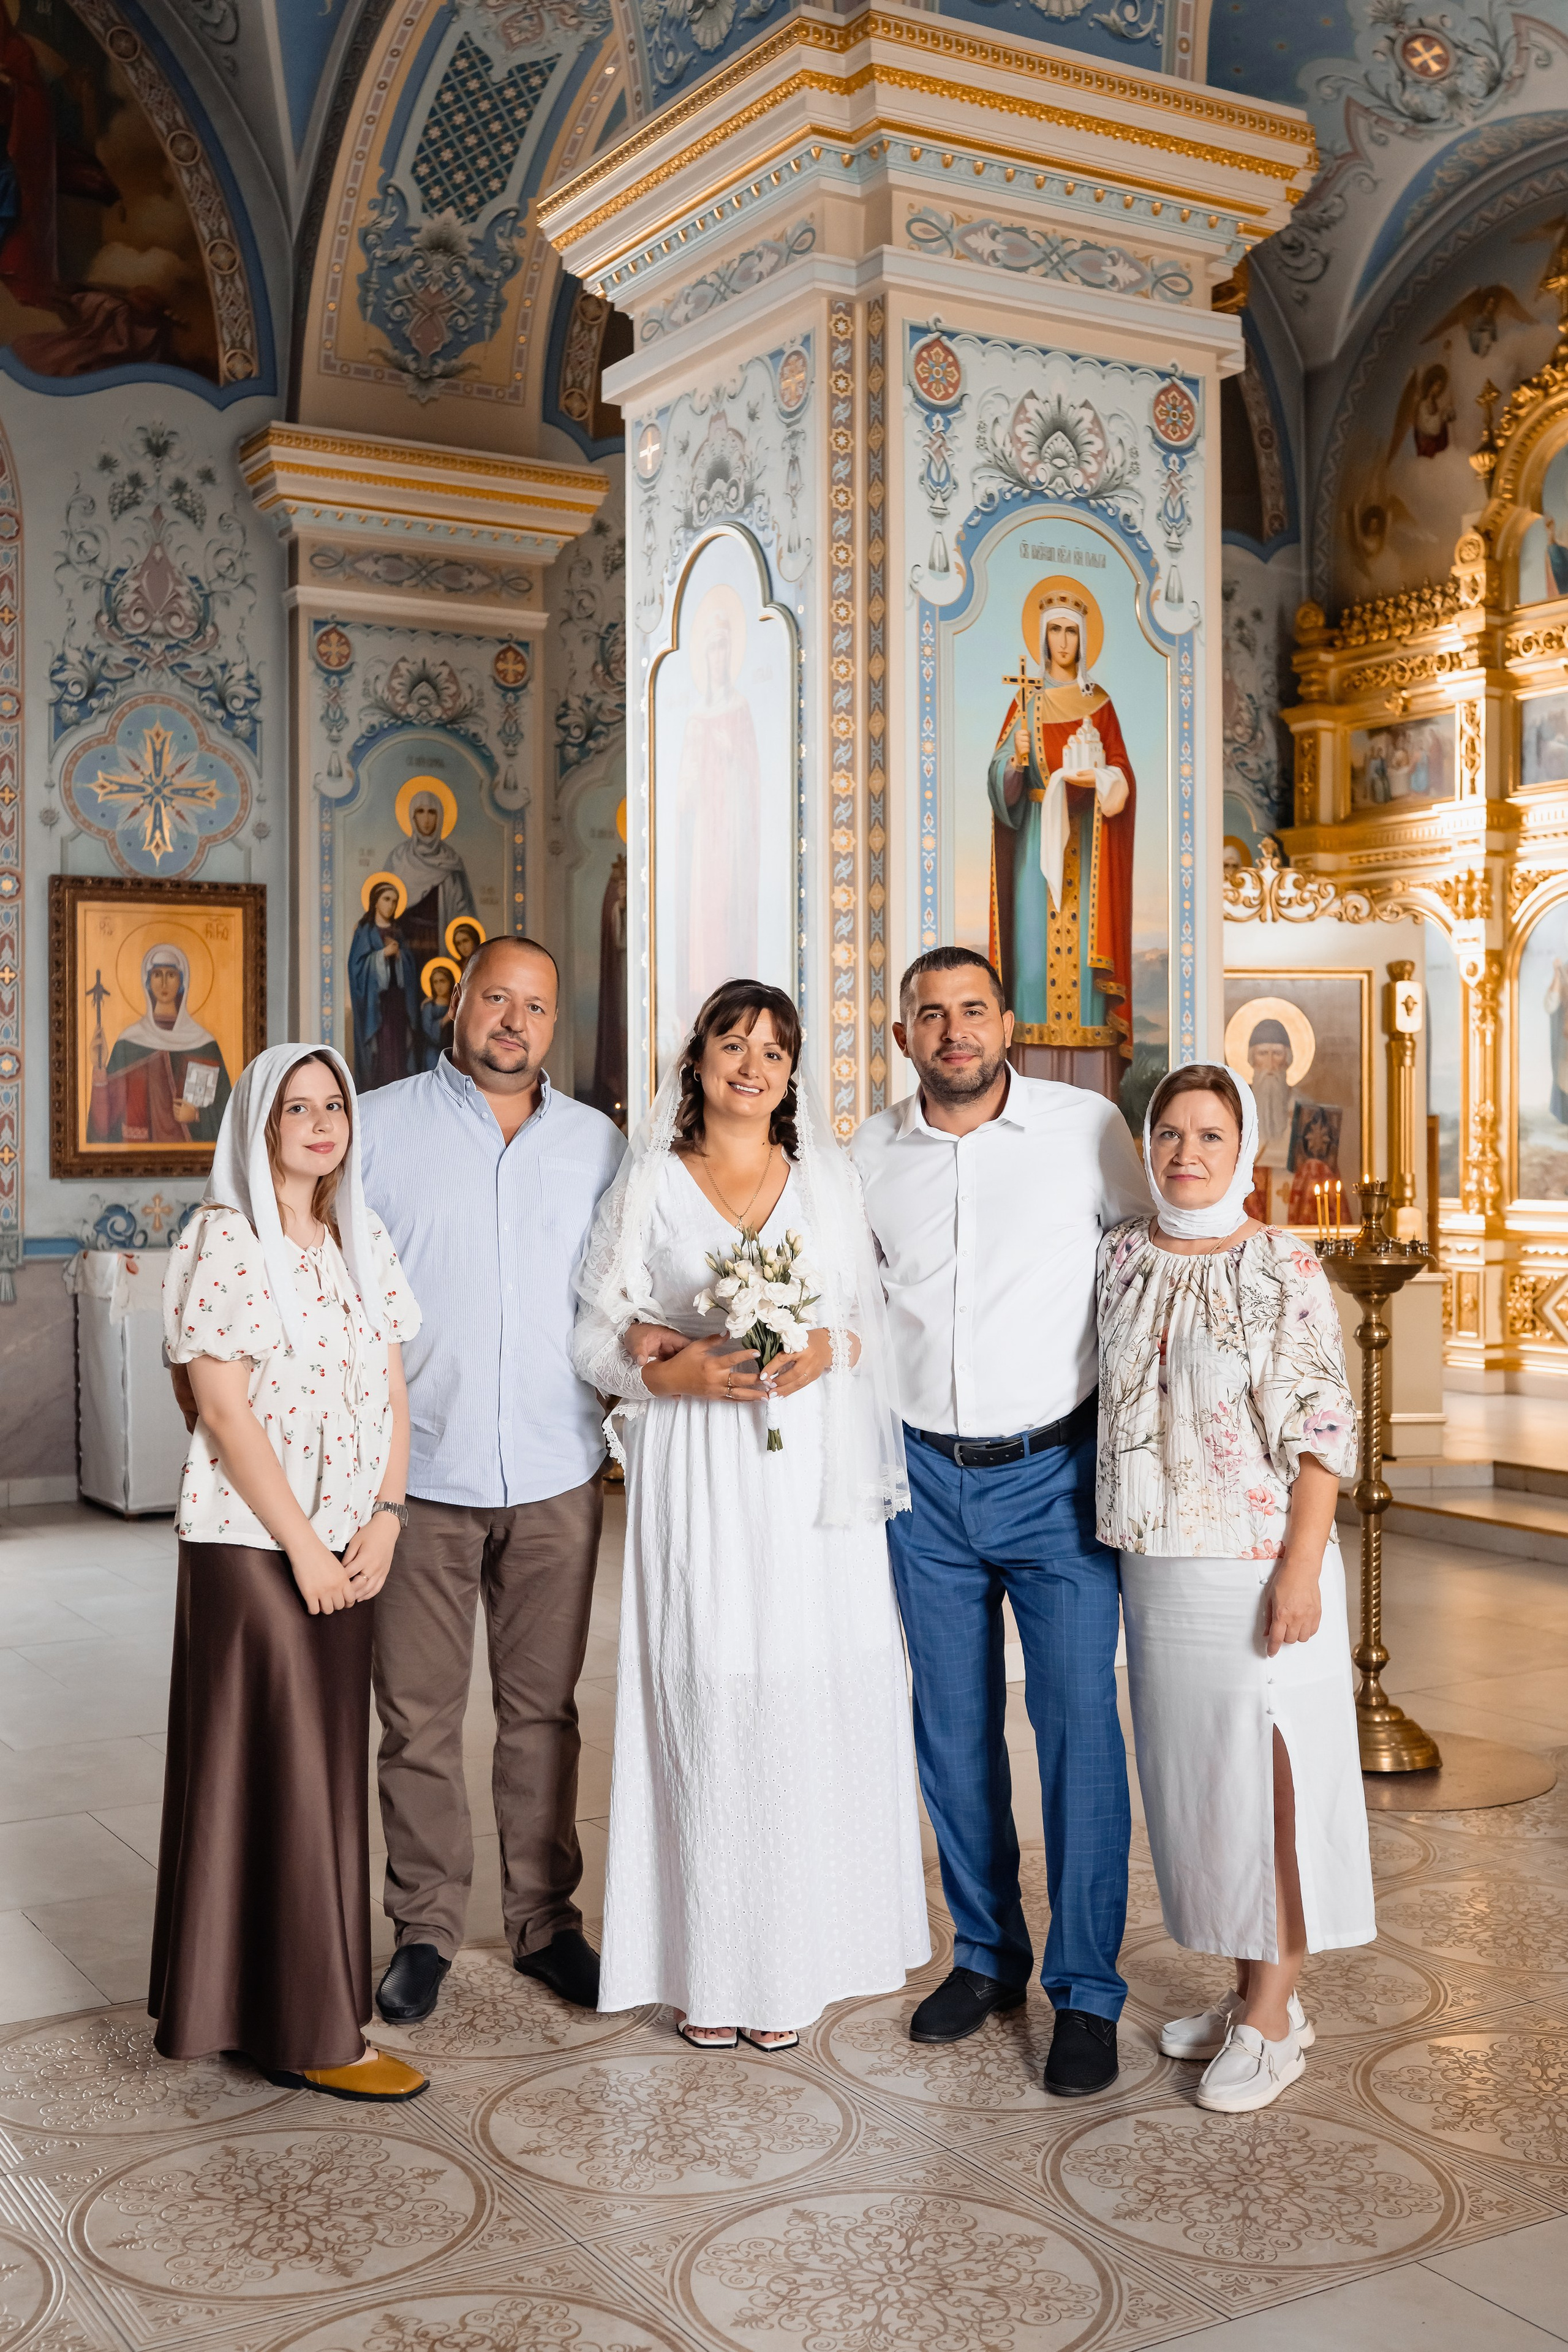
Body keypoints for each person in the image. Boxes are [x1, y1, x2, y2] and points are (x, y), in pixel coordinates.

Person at [573, 979, 928, 2043]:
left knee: (808, 1688)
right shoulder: (652, 1183)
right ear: (699, 1061)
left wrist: (828, 1348)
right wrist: (661, 1373)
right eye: (734, 1044)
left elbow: (868, 1327)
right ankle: (710, 1966)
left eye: (774, 1052)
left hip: (808, 1468)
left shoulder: (825, 1181)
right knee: (709, 1683)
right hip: (699, 1467)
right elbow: (595, 1334)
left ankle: (804, 1955)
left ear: (792, 1074)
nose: (752, 1066)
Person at [852, 947, 1147, 2096]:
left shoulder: (1087, 1129)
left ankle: (1086, 1989)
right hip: (923, 1484)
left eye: (972, 1010)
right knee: (953, 1731)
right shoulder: (866, 1155)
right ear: (902, 1038)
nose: (954, 1030)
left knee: (1079, 1731)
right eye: (931, 1015)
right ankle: (986, 1955)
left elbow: (1145, 1255)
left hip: (1057, 1475)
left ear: (1007, 1022)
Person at [356, 935, 626, 2024]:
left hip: (558, 1471)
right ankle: (422, 1927)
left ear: (554, 1024)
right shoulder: (374, 1128)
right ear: (458, 1003)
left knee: (543, 1714)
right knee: (417, 1719)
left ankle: (544, 1923)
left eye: (537, 1006)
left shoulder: (599, 1144)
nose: (515, 1022)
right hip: (421, 1474)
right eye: (497, 1000)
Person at [1097, 1063, 1370, 2114]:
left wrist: (1301, 1567)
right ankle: (1248, 1989)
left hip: (1259, 1563)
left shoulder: (1281, 1264)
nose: (1186, 1153)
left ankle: (1277, 2014)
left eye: (1211, 1135)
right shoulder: (1123, 1254)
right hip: (1157, 1562)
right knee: (1205, 1791)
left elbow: (1324, 1428)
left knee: (1273, 1784)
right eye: (1170, 1132)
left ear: (1244, 1149)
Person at [153, 1046, 425, 2101]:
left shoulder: (359, 1236)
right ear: (260, 1125)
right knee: (281, 1772)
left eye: (334, 1106)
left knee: (311, 1767)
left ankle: (241, 2006)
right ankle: (319, 2032)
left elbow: (397, 1387)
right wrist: (303, 1546)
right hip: (252, 1548)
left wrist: (388, 1518)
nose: (320, 1124)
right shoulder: (225, 1241)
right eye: (296, 1108)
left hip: (352, 1542)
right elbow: (221, 1410)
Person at [987, 590, 1135, 1055]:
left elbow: (1122, 771)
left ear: (1084, 638)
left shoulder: (1100, 704)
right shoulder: (1026, 702)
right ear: (1044, 636)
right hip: (1035, 843)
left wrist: (1104, 778)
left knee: (1086, 977)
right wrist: (1016, 762)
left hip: (1089, 845)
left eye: (1072, 630)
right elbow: (999, 777)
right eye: (1056, 629)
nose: (1064, 640)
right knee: (1032, 962)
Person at [87, 942, 231, 1145]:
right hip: (139, 1157)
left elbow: (230, 1113)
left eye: (171, 975)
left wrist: (197, 1115)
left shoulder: (204, 1043)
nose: (164, 983)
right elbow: (104, 1125)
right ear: (148, 981)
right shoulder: (130, 1042)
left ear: (182, 981)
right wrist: (99, 1067)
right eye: (157, 975)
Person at [349, 880, 420, 1093]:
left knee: (399, 1046)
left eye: (395, 901)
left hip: (398, 1001)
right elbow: (356, 967)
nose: (391, 905)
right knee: (380, 1048)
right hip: (375, 1004)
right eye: (387, 899)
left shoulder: (398, 931)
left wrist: (400, 956)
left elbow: (410, 967)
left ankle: (401, 1092)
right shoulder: (364, 930)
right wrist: (381, 956)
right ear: (375, 902)